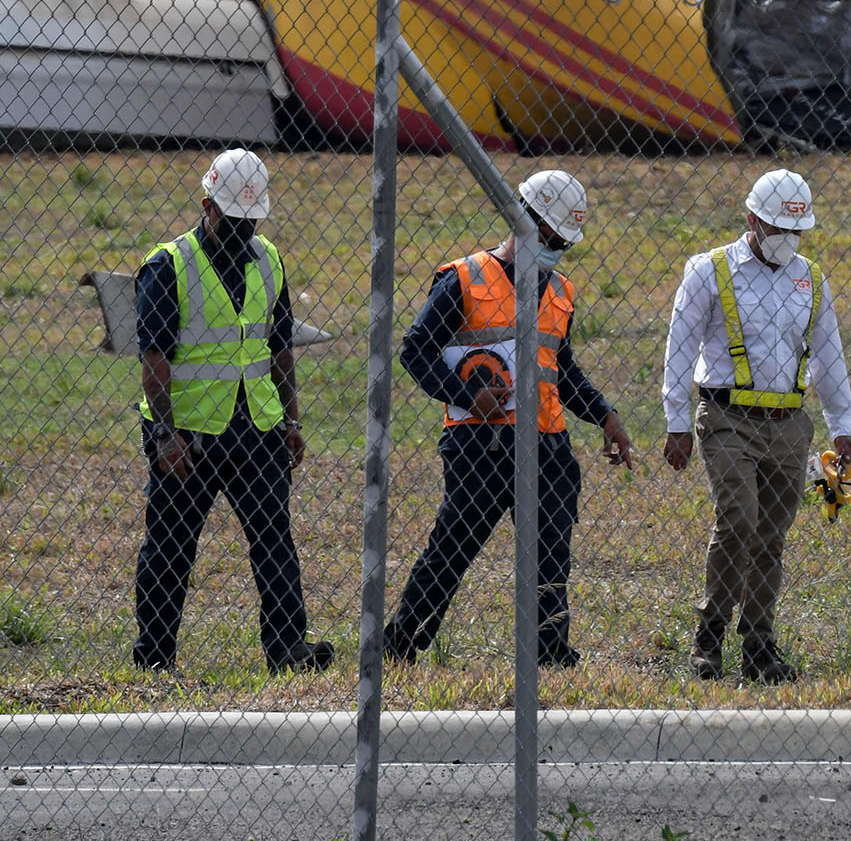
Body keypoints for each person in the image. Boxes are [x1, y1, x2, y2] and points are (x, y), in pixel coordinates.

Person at [383, 170, 634, 668]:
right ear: (521, 217)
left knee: (549, 558)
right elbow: (416, 350)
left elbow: (560, 368)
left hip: (547, 446)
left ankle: (549, 652)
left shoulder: (561, 291)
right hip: (480, 444)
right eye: (551, 236)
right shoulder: (464, 278)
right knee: (452, 550)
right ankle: (399, 647)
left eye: (564, 242)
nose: (557, 247)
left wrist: (605, 415)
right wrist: (465, 395)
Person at [132, 149, 333, 675]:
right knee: (171, 546)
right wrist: (165, 436)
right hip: (190, 436)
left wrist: (292, 419)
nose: (245, 231)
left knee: (274, 538)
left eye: (252, 222)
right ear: (208, 207)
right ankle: (155, 657)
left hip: (257, 427)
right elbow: (154, 360)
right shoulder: (167, 265)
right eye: (235, 221)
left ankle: (288, 648)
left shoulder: (268, 258)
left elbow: (280, 347)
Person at [661, 170, 851, 684]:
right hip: (728, 417)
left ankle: (760, 646)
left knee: (771, 535)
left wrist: (842, 426)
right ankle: (709, 637)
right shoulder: (709, 270)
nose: (787, 240)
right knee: (738, 520)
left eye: (797, 231)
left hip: (789, 423)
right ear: (752, 218)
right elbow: (679, 347)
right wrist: (676, 422)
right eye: (777, 228)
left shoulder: (811, 279)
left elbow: (829, 355)